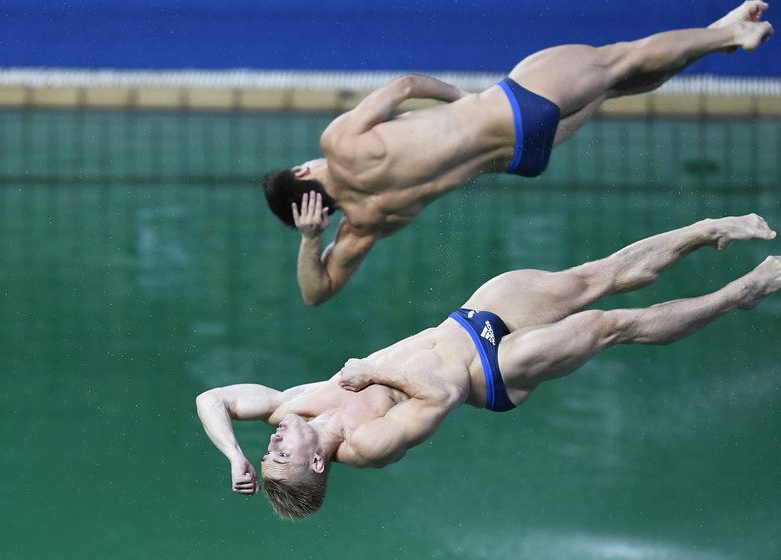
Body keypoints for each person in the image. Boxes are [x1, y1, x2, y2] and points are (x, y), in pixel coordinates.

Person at [196, 214, 781, 519]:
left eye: (267, 449)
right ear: (318, 461)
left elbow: (212, 400)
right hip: (494, 373)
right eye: (279, 454)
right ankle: (742, 292)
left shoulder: (291, 403)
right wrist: (374, 373)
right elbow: (441, 399)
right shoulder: (364, 446)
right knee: (610, 325)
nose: (272, 440)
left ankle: (707, 232)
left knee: (594, 276)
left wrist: (235, 456)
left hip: (468, 322)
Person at [261, 2, 774, 306]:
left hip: (525, 154)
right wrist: (466, 100)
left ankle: (716, 40)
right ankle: (730, 32)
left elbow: (316, 293)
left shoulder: (366, 223)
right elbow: (405, 84)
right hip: (511, 108)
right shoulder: (339, 143)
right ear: (303, 170)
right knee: (620, 58)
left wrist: (311, 242)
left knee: (615, 86)